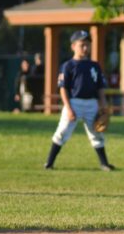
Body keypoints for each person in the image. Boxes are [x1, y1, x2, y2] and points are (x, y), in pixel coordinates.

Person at [44, 30, 115, 171]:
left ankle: (104, 164)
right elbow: (63, 89)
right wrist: (68, 108)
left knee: (96, 133)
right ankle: (49, 163)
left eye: (87, 45)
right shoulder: (68, 66)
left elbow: (100, 88)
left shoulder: (94, 66)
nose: (85, 48)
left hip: (92, 103)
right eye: (82, 45)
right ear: (73, 47)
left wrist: (104, 105)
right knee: (63, 131)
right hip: (74, 102)